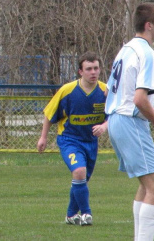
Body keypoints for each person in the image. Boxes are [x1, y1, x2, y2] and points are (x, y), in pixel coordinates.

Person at [105, 2, 154, 241]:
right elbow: (138, 99)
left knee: (146, 186)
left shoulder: (125, 50)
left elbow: (115, 93)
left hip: (117, 120)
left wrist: (152, 109)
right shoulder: (147, 52)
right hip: (129, 123)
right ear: (149, 25)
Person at [37, 51, 108, 226]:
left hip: (91, 142)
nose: (93, 72)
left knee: (81, 179)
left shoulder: (106, 91)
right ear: (80, 71)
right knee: (79, 172)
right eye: (89, 69)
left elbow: (115, 114)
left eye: (96, 68)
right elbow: (49, 114)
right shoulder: (67, 91)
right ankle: (86, 214)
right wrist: (43, 138)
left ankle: (70, 215)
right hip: (69, 140)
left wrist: (104, 126)